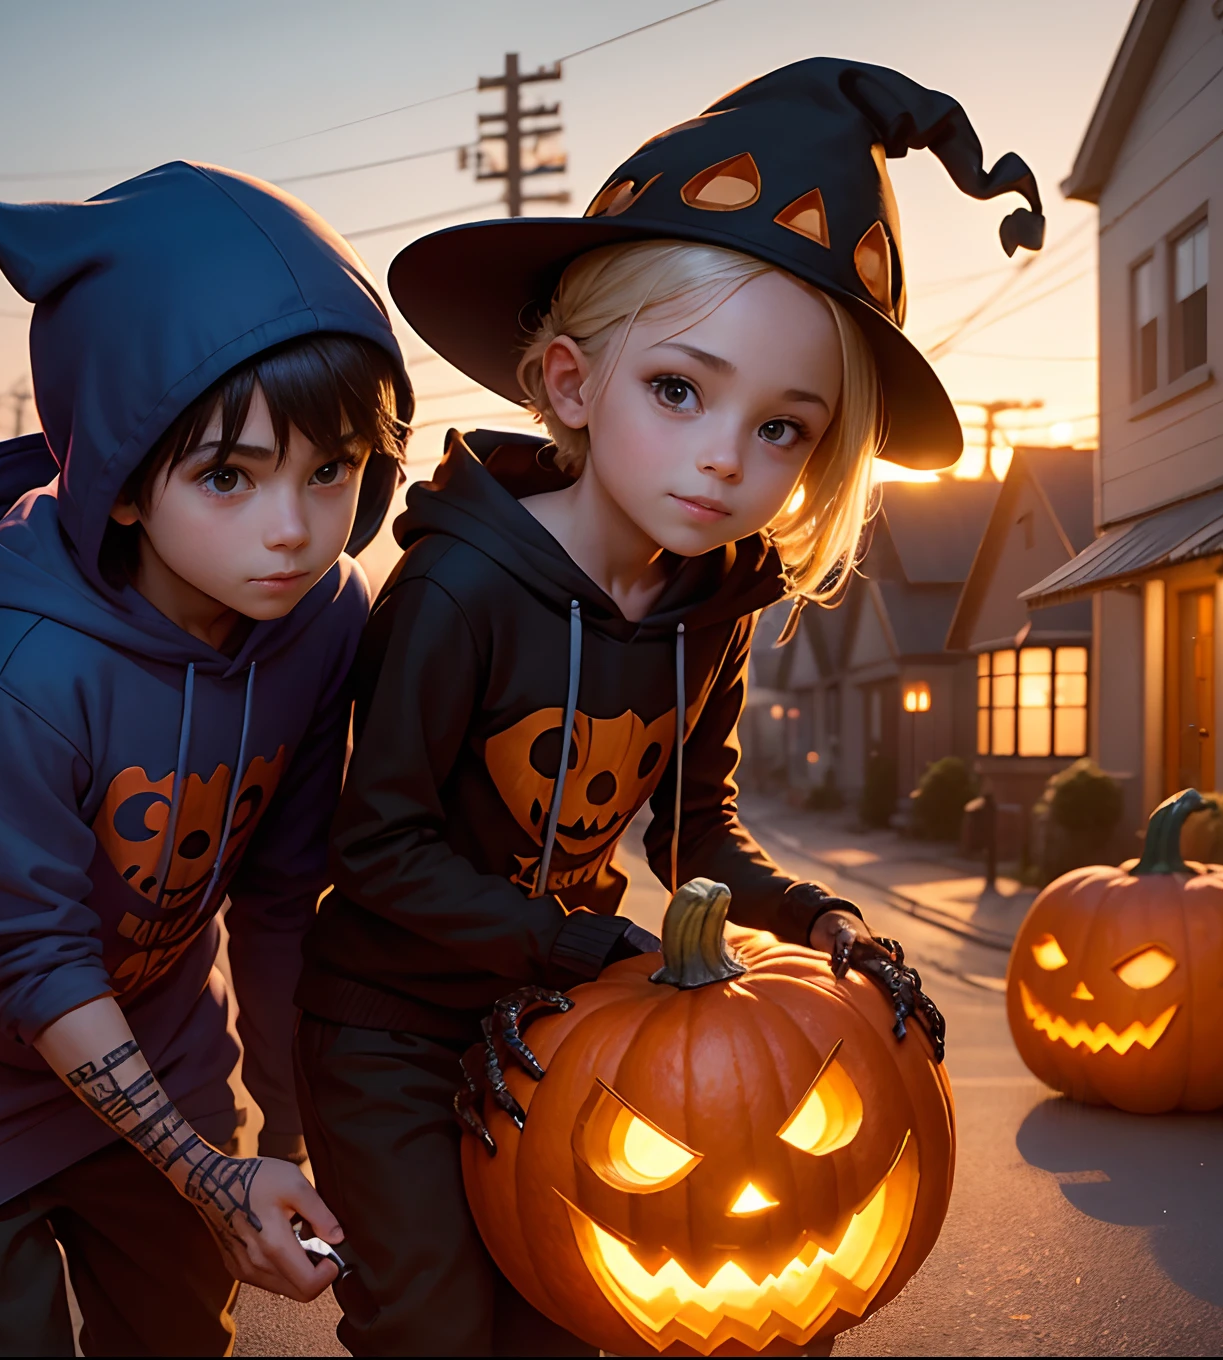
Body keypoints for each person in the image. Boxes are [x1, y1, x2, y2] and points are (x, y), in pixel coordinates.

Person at [296, 59, 1041, 1354]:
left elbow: (698, 837)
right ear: (574, 385)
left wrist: (825, 917)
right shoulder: (459, 588)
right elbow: (377, 854)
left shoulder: (717, 605)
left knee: (572, 1315)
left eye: (784, 429)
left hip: (558, 1012)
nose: (724, 458)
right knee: (433, 1320)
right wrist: (585, 948)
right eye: (681, 391)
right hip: (393, 1028)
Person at [0, 162, 412, 1356]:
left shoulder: (321, 616)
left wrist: (285, 1134)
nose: (292, 526)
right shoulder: (8, 673)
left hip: (155, 1043)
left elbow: (280, 899)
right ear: (119, 482)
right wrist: (203, 1174)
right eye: (229, 474)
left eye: (330, 469)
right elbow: (31, 961)